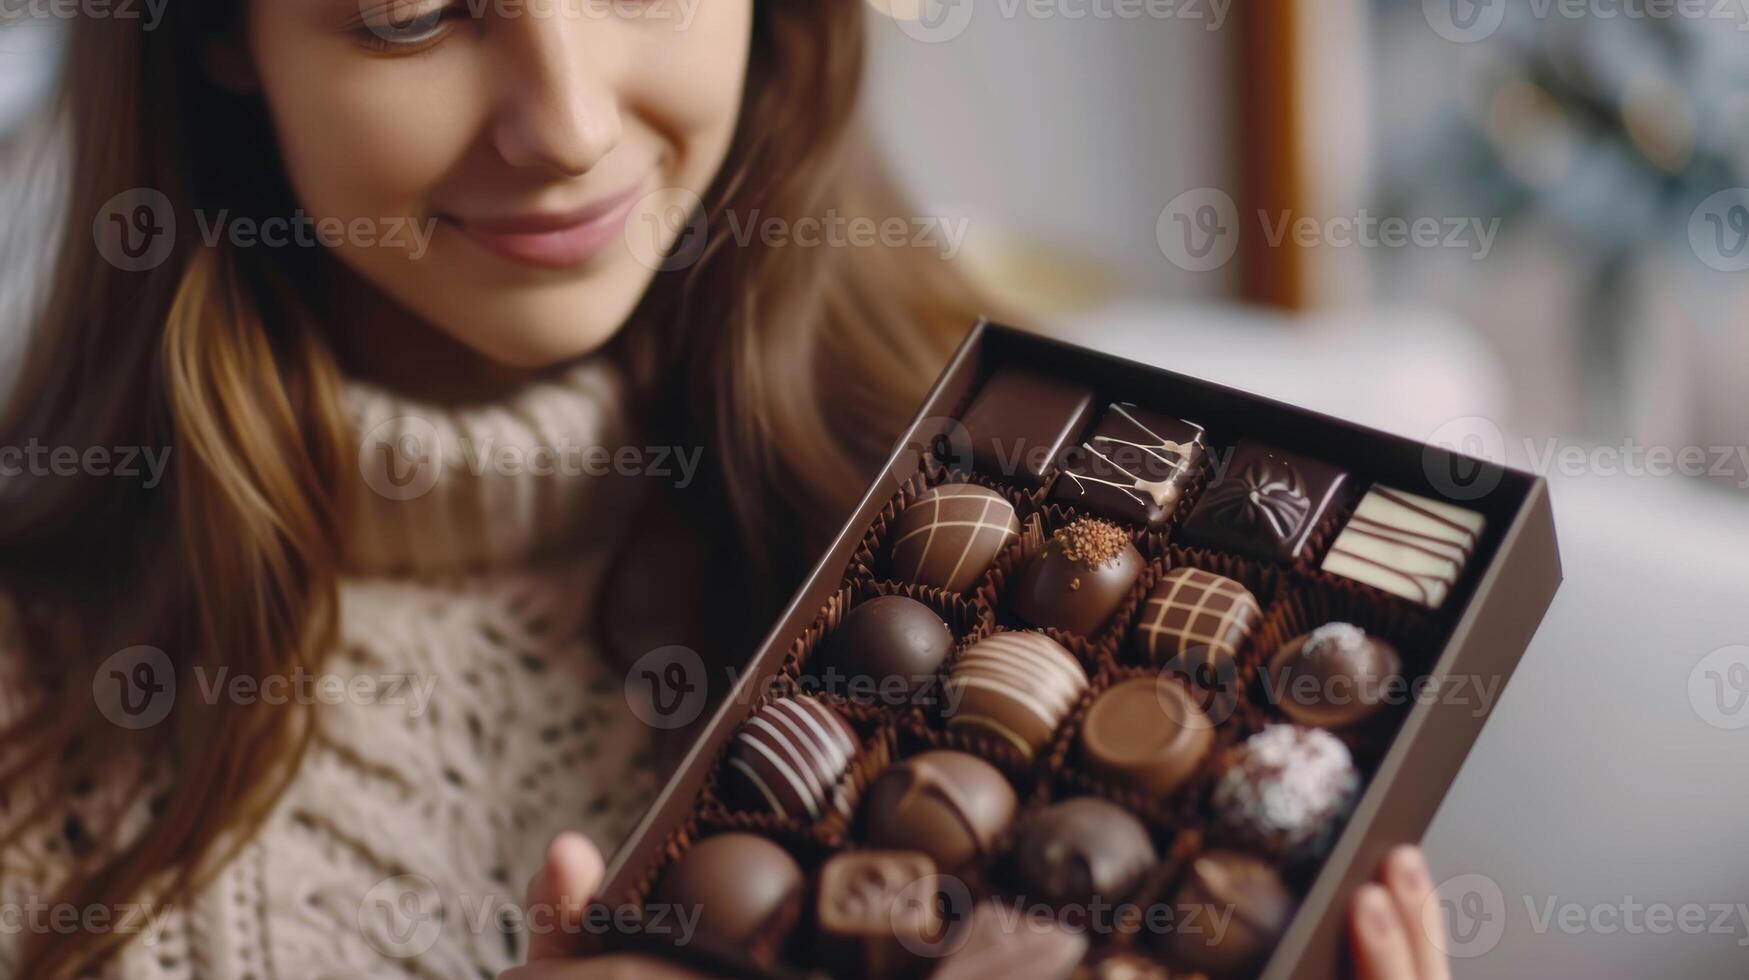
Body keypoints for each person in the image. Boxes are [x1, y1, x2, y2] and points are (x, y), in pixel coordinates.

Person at [0, 2, 1452, 977]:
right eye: (415, 5)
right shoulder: (36, 732)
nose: (563, 123)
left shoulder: (991, 518)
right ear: (213, 34)